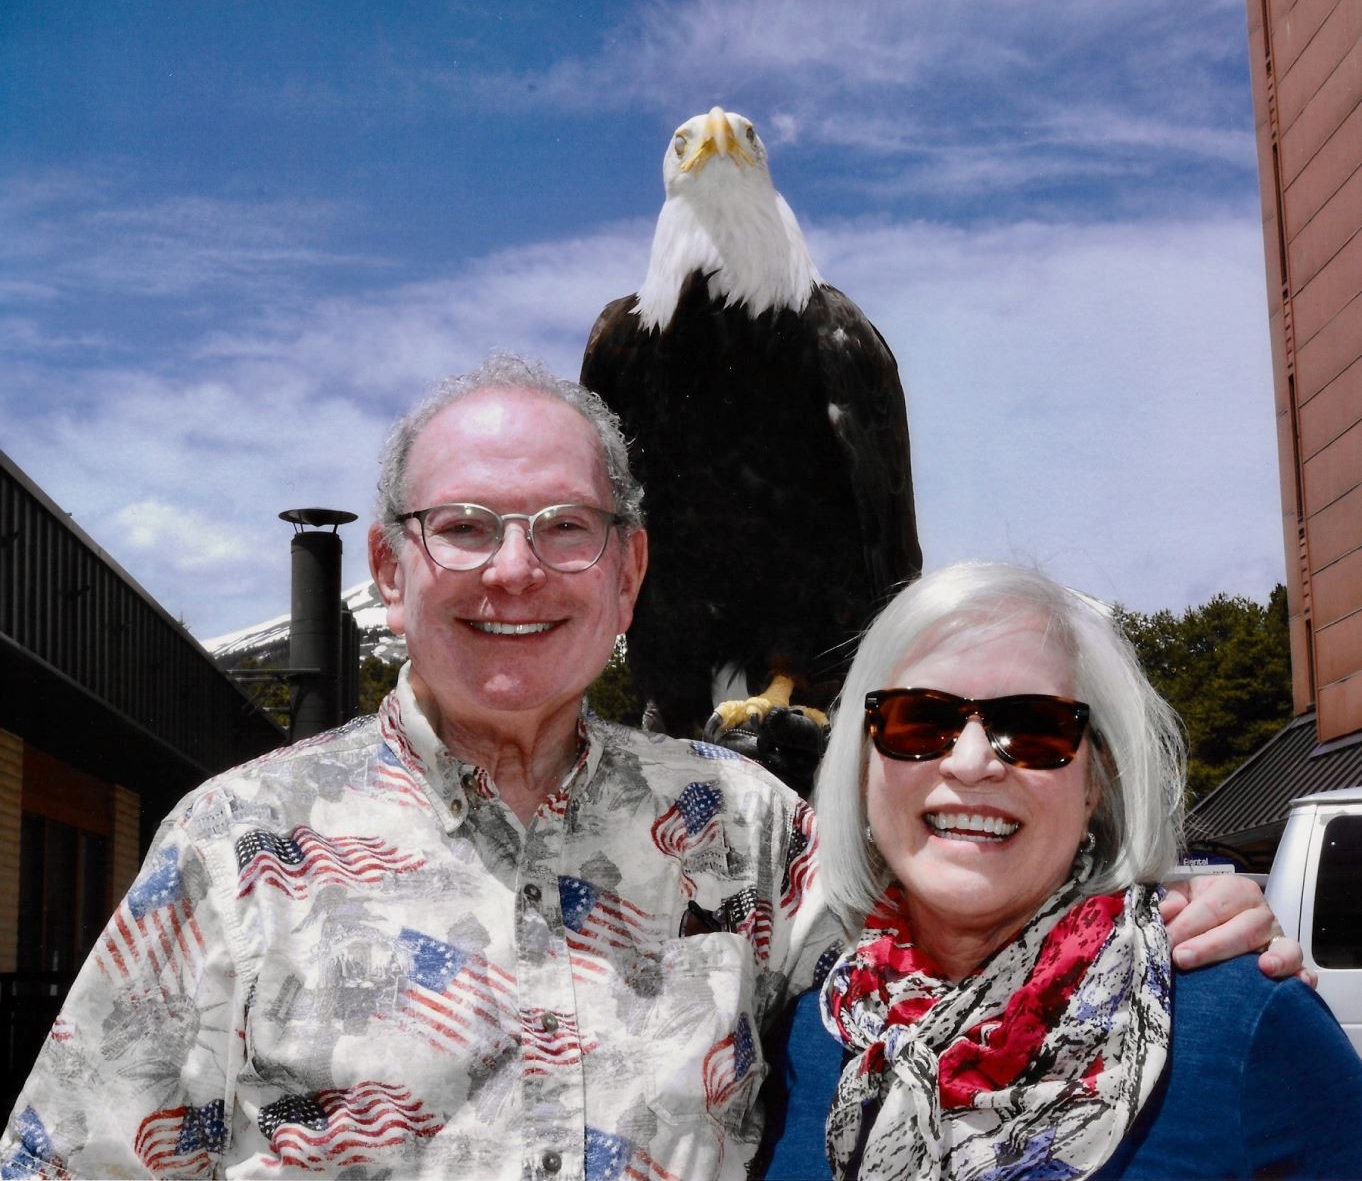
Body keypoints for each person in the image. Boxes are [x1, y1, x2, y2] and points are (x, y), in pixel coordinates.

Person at [1, 357, 1302, 1180]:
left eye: (565, 530)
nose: (515, 569)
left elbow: (957, 920)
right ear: (390, 573)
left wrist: (1150, 905)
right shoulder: (232, 844)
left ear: (627, 576)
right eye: (463, 529)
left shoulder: (735, 825)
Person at [764, 561, 1362, 1181]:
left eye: (1033, 727)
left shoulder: (1246, 1025)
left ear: (1092, 787)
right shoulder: (802, 1037)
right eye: (920, 721)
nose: (971, 763)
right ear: (864, 770)